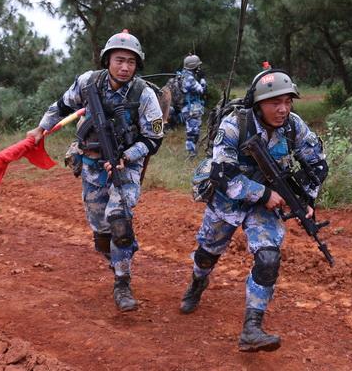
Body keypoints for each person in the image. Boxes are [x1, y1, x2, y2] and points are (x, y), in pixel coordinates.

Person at [178, 68, 328, 352]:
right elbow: (221, 174)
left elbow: (317, 164)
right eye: (275, 103)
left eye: (287, 101)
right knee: (206, 254)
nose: (282, 109)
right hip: (227, 200)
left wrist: (307, 200)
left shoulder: (294, 127)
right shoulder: (234, 125)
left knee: (269, 258)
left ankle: (252, 328)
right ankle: (197, 283)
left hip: (265, 205)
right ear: (258, 103)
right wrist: (262, 194)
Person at [27, 29, 164, 312]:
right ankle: (118, 259)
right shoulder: (88, 82)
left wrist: (127, 156)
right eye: (119, 60)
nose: (125, 67)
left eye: (131, 62)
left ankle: (123, 283)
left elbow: (153, 139)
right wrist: (41, 128)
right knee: (102, 234)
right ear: (107, 60)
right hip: (90, 165)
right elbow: (61, 106)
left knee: (119, 222)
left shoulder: (144, 94)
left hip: (125, 168)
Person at [180, 54, 206, 157]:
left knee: (193, 130)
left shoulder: (182, 75)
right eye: (197, 66)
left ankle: (193, 151)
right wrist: (203, 79)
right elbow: (202, 90)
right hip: (192, 108)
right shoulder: (190, 78)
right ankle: (191, 154)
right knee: (192, 132)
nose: (199, 68)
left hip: (187, 107)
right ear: (194, 66)